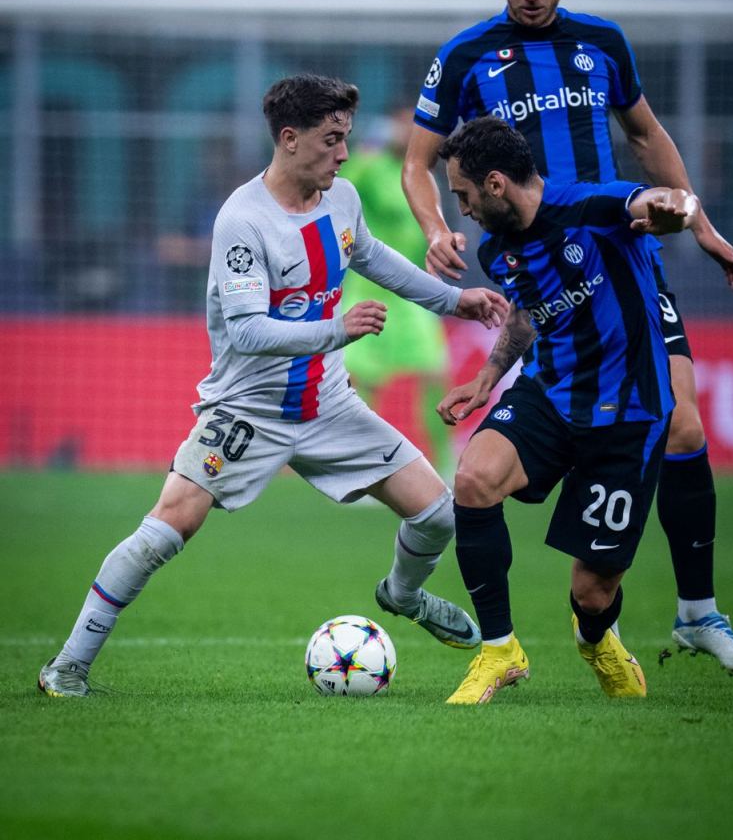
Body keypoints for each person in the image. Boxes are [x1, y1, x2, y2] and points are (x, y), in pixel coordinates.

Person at [38, 74, 508, 698]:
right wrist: (336, 330)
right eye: (331, 140)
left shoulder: (341, 198)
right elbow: (249, 331)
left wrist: (454, 300)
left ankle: (402, 595)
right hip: (248, 410)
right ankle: (67, 666)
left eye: (345, 138)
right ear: (289, 139)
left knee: (437, 514)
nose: (344, 154)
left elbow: (372, 257)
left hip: (328, 403)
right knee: (165, 529)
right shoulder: (243, 220)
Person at [402, 0, 733, 676]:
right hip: (537, 270)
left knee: (684, 424)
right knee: (504, 457)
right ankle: (578, 608)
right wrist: (436, 227)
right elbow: (418, 162)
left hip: (620, 253)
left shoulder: (601, 42)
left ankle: (697, 612)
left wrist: (698, 223)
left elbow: (646, 137)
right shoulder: (465, 55)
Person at [436, 115, 698, 704]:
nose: (463, 209)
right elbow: (529, 311)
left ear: (496, 183)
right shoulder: (498, 250)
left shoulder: (594, 206)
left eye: (464, 194)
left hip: (629, 412)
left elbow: (664, 201)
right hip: (550, 394)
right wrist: (487, 378)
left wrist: (675, 209)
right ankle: (499, 650)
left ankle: (595, 638)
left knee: (592, 593)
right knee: (474, 479)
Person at [341, 106, 452, 472]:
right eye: (403, 125)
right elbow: (343, 184)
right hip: (369, 290)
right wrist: (371, 144)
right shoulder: (370, 167)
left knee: (436, 374)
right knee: (362, 383)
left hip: (413, 293)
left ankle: (445, 463)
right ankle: (360, 465)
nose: (409, 133)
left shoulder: (420, 176)